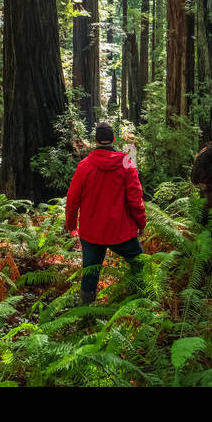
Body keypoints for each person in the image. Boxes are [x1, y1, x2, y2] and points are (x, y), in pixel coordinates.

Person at [64, 122, 147, 304]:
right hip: (122, 231)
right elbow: (135, 199)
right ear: (113, 140)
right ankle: (145, 304)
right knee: (142, 268)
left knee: (90, 275)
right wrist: (141, 223)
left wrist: (71, 226)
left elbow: (72, 201)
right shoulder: (126, 164)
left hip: (92, 233)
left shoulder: (84, 166)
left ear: (95, 141)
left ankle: (86, 315)